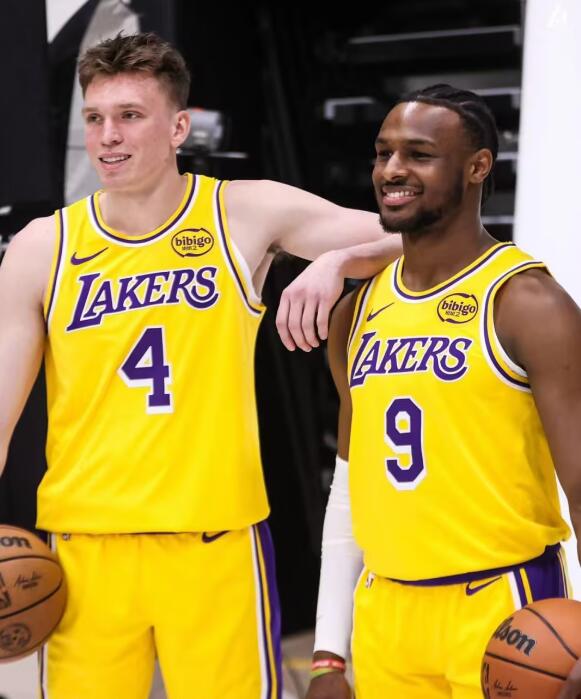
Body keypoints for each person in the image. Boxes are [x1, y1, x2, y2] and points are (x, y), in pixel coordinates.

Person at [0, 32, 402, 699]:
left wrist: (336, 262)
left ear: (179, 127)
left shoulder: (243, 211)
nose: (107, 136)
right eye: (95, 117)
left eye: (130, 115)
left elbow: (421, 234)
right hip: (85, 548)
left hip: (215, 541)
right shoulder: (44, 246)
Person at [305, 84, 581, 699]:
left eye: (419, 154)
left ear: (478, 166)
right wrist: (328, 654)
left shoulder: (528, 303)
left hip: (504, 606)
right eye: (383, 153)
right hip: (386, 613)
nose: (391, 170)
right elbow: (349, 490)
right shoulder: (355, 313)